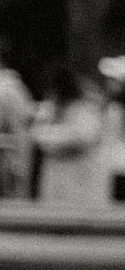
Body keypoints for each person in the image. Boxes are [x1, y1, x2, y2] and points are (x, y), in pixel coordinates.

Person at [29, 65, 110, 211]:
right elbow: (37, 135)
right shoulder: (50, 109)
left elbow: (84, 137)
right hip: (56, 179)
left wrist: (52, 136)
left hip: (81, 179)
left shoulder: (85, 109)